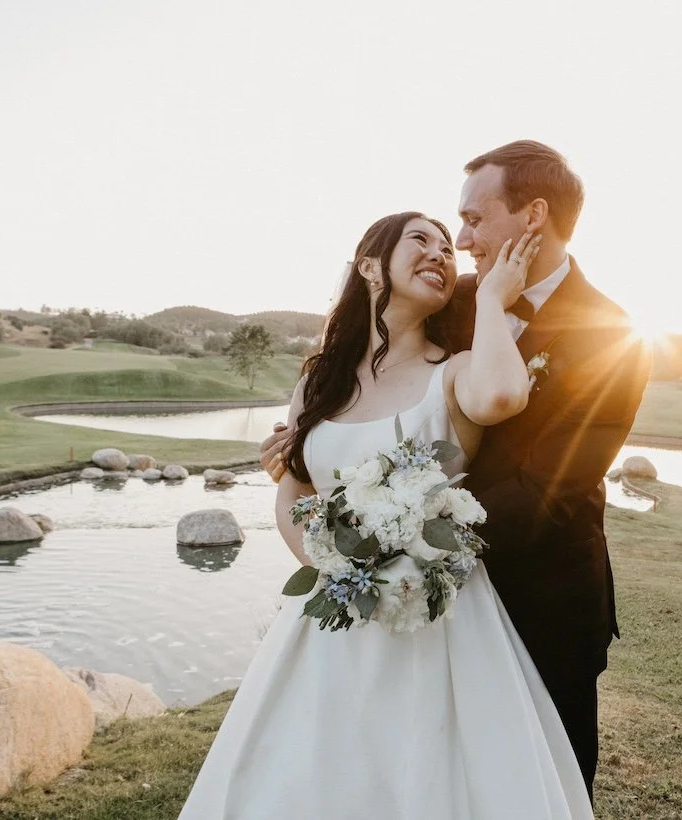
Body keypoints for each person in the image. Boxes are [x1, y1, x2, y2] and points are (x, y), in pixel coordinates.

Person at [262, 141, 652, 793]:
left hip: (540, 594)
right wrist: (314, 451)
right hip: (406, 596)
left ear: (532, 215)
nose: (461, 241)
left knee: (539, 781)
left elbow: (550, 486)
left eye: (472, 220)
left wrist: (404, 541)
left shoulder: (614, 336)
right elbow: (383, 378)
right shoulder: (452, 297)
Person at [179, 212, 594, 819]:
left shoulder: (454, 371)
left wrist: (493, 299)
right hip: (332, 611)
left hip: (438, 617)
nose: (441, 253)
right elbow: (293, 490)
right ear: (370, 266)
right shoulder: (319, 378)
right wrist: (337, 569)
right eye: (420, 239)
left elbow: (503, 395)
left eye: (448, 247)